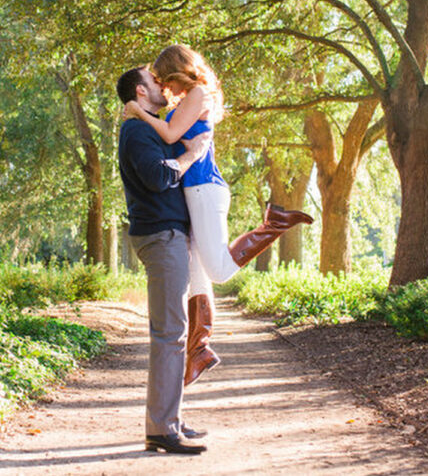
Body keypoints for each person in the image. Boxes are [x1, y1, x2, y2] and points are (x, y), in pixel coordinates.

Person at [124, 44, 313, 387]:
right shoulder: (187, 100)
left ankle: (275, 223)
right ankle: (199, 350)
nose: (165, 88)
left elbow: (168, 134)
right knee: (198, 275)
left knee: (220, 271)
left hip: (204, 190)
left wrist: (138, 111)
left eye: (166, 79)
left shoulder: (198, 93)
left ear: (178, 71)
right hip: (191, 193)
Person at [116, 65, 212, 455]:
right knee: (170, 334)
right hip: (160, 235)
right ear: (141, 91)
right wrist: (191, 155)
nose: (162, 83)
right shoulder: (136, 131)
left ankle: (168, 419)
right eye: (155, 81)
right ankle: (161, 428)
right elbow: (158, 178)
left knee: (176, 331)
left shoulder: (148, 126)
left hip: (170, 234)